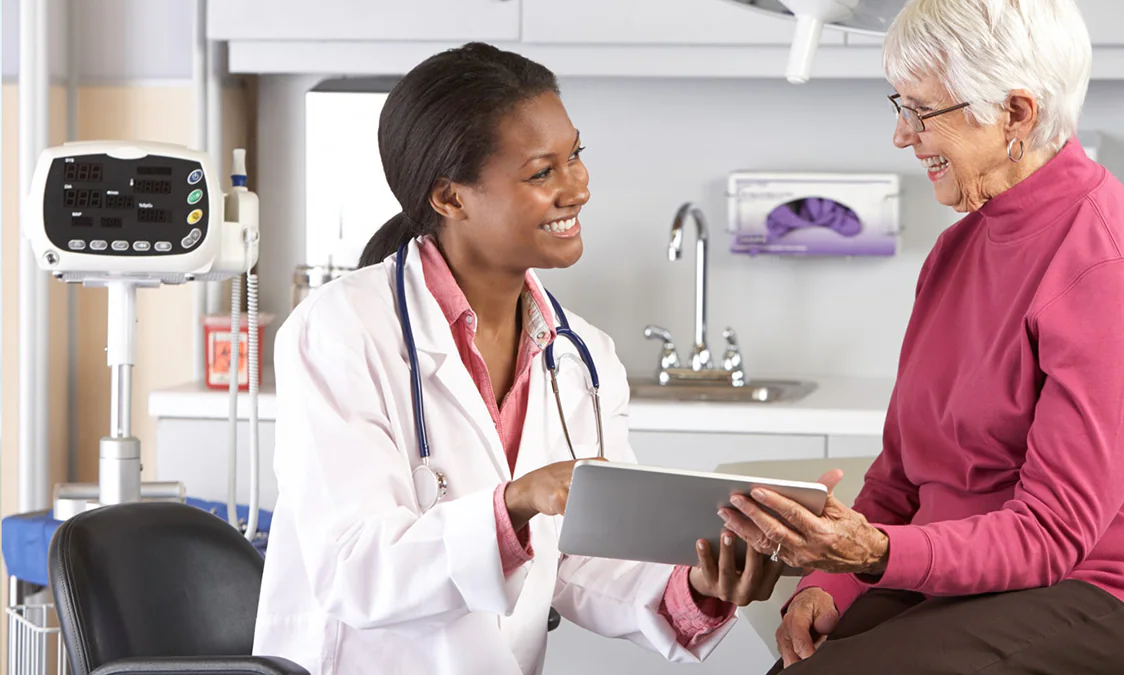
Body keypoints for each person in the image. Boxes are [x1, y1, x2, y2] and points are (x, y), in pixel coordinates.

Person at [252, 43, 783, 674]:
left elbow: (584, 562)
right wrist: (517, 503)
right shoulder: (342, 329)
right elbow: (355, 567)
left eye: (576, 156)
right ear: (451, 199)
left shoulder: (582, 358)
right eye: (542, 173)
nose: (577, 188)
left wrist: (701, 588)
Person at [719, 1, 1124, 673]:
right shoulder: (956, 252)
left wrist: (875, 554)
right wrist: (828, 582)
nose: (901, 135)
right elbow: (897, 479)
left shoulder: (1105, 268)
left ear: (1016, 114)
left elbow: (1053, 534)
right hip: (974, 581)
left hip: (1114, 592)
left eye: (921, 110)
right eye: (900, 105)